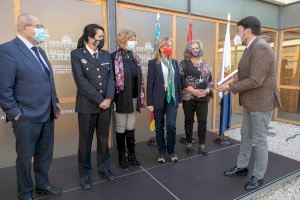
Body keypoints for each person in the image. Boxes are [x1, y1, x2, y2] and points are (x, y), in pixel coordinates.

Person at [0, 13, 62, 200]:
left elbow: (47, 80)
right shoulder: (8, 50)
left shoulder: (40, 51)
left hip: (47, 114)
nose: (42, 30)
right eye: (38, 26)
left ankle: (42, 185)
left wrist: (55, 102)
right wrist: (15, 113)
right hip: (26, 117)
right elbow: (4, 87)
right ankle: (26, 193)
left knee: (44, 156)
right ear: (24, 27)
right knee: (25, 160)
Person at [217, 16, 281, 191]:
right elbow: (246, 74)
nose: (236, 35)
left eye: (238, 31)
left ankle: (258, 176)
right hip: (250, 102)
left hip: (261, 102)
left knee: (259, 140)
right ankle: (241, 166)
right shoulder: (250, 47)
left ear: (248, 30)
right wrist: (229, 83)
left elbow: (255, 80)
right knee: (245, 136)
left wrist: (229, 87)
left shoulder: (260, 47)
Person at [71, 24, 115, 190]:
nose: (101, 39)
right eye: (99, 36)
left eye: (102, 36)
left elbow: (111, 78)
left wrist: (109, 98)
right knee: (85, 141)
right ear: (89, 38)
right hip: (87, 106)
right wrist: (100, 100)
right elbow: (81, 81)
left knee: (103, 139)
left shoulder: (105, 55)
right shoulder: (76, 54)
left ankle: (104, 168)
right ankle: (85, 174)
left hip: (106, 105)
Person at [111, 29, 145, 169]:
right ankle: (121, 156)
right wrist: (112, 99)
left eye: (135, 38)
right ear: (123, 40)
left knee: (130, 127)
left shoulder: (135, 57)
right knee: (121, 127)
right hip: (121, 98)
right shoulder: (114, 57)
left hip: (134, 97)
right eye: (131, 39)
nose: (133, 42)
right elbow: (111, 80)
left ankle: (131, 154)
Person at [147, 36, 182, 164]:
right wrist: (149, 102)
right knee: (159, 126)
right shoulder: (153, 63)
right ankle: (161, 152)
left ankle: (171, 151)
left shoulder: (174, 62)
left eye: (171, 45)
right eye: (167, 46)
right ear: (161, 48)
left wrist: (179, 99)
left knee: (171, 125)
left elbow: (177, 82)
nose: (169, 48)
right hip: (158, 98)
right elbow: (150, 83)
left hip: (172, 98)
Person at [180, 40, 214, 155]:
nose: (195, 50)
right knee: (189, 120)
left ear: (200, 49)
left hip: (203, 97)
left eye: (197, 48)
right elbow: (181, 81)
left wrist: (207, 91)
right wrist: (194, 91)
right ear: (189, 50)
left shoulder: (206, 63)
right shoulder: (183, 63)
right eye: (192, 48)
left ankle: (202, 145)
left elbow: (210, 82)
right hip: (188, 96)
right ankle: (189, 144)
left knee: (203, 121)